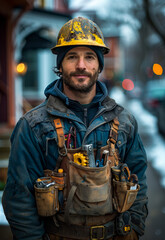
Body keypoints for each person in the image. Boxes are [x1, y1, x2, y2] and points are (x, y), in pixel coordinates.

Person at [2, 17, 148, 240]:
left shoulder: (125, 122)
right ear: (59, 65)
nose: (81, 65)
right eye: (72, 57)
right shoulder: (33, 126)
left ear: (99, 65)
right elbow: (19, 200)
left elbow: (140, 184)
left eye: (90, 57)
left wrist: (134, 231)